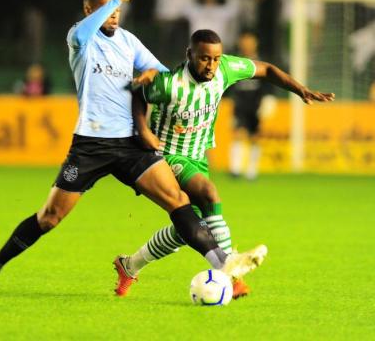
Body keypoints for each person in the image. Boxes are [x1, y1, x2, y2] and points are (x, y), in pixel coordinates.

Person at [0, 0, 261, 291]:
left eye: (117, 10)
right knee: (50, 217)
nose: (114, 14)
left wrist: (151, 75)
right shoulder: (80, 39)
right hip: (90, 145)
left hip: (130, 144)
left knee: (178, 200)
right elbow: (83, 32)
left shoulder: (129, 42)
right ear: (89, 10)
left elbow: (161, 72)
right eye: (107, 10)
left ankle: (225, 267)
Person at [113, 29, 334, 297]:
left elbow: (266, 70)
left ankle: (129, 265)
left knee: (190, 230)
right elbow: (138, 95)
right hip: (165, 155)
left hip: (197, 158)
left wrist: (300, 89)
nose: (211, 65)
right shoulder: (169, 84)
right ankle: (231, 272)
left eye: (216, 59)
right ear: (189, 55)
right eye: (204, 59)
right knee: (209, 193)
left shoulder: (226, 68)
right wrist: (143, 130)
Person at [228, 31, 275, 180]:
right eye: (244, 42)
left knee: (255, 136)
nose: (247, 45)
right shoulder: (234, 62)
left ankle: (252, 170)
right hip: (240, 104)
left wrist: (268, 99)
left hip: (256, 104)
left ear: (255, 43)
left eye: (249, 42)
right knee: (238, 134)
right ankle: (235, 169)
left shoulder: (261, 62)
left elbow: (268, 83)